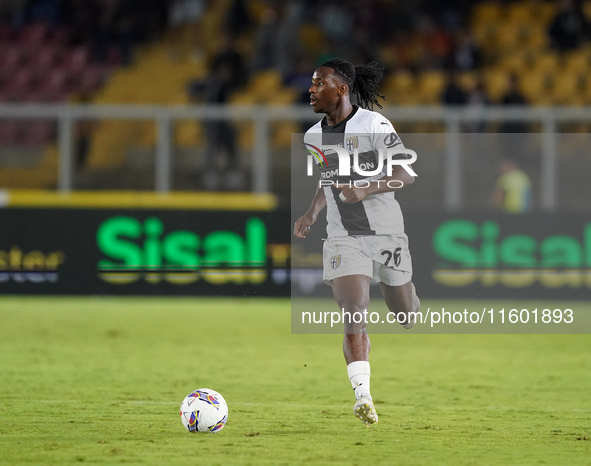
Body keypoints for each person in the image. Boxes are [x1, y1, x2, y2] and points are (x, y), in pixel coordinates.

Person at [293, 58, 420, 427]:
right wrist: (312, 211)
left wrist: (366, 186)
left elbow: (405, 174)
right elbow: (328, 177)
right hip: (342, 237)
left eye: (319, 83)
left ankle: (410, 301)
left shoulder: (374, 124)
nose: (312, 89)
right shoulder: (313, 135)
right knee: (354, 309)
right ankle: (363, 395)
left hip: (386, 234)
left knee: (405, 314)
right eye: (312, 83)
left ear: (342, 89)